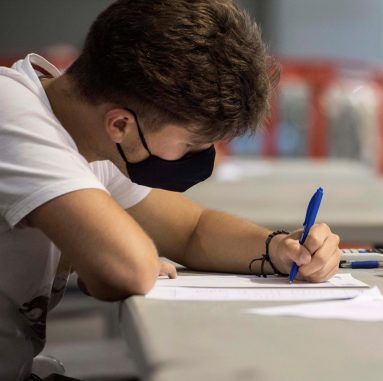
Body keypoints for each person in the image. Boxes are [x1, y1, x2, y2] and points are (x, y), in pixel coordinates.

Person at [0, 1, 341, 379]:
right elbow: (126, 268)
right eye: (191, 144)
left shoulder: (82, 131)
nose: (200, 157)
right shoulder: (11, 114)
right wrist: (125, 259)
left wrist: (279, 248)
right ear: (121, 126)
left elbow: (191, 230)